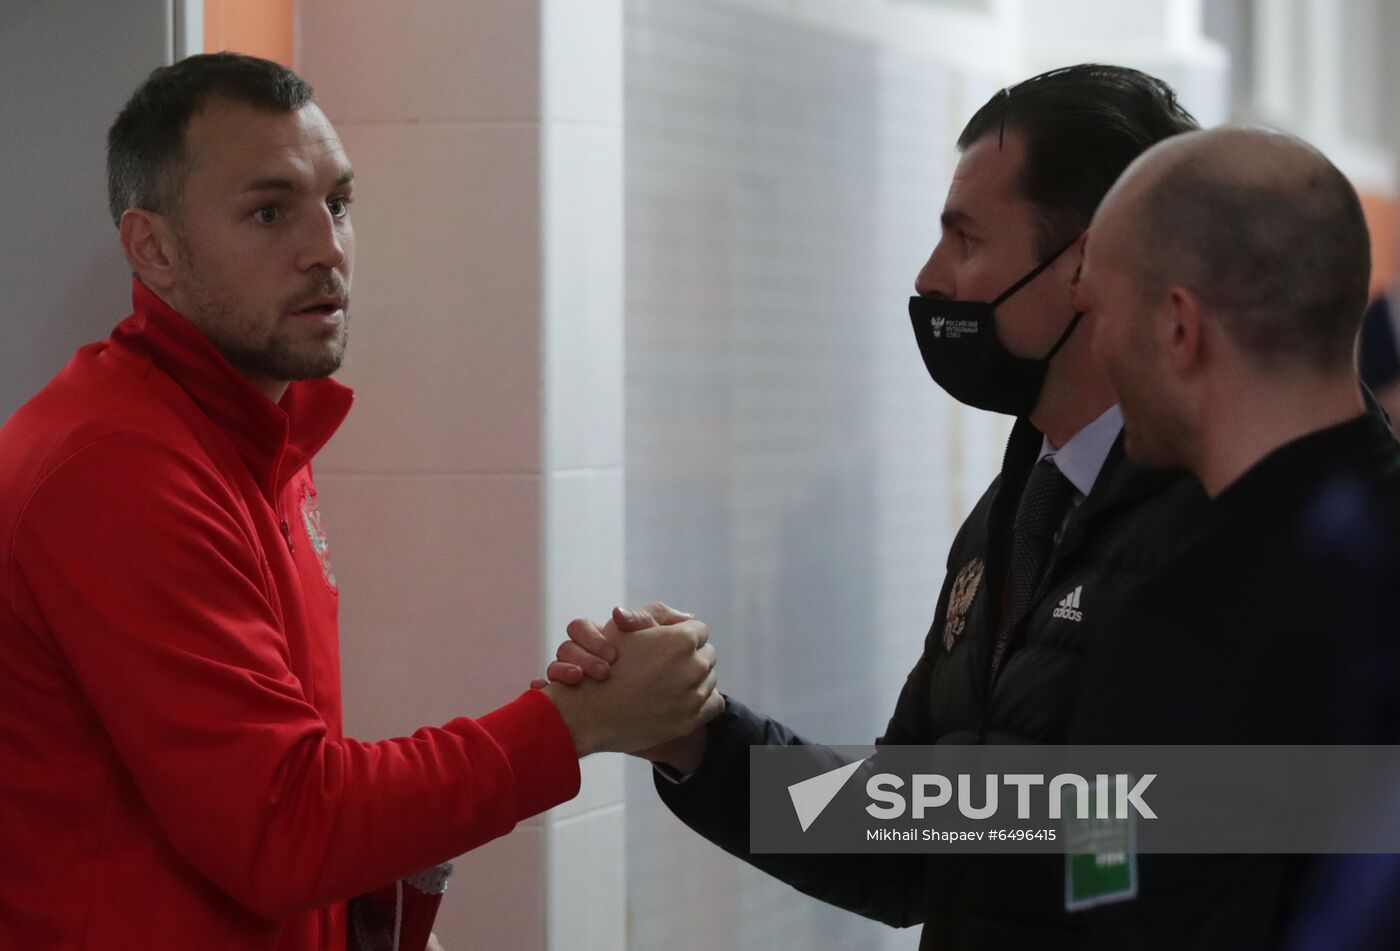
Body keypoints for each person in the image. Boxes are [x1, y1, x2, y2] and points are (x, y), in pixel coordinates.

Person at [0, 53, 722, 951]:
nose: (327, 248)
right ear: (153, 249)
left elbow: (262, 801)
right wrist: (578, 722)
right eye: (270, 212)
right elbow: (284, 824)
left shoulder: (255, 434)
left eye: (337, 204)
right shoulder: (118, 469)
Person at [541, 65, 1208, 949]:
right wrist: (697, 738)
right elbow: (906, 835)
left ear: (1087, 262)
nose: (931, 278)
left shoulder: (1223, 529)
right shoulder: (1009, 518)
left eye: (966, 240)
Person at [1068, 126, 1400, 947]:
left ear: (1181, 329)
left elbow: (1105, 889)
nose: (1097, 346)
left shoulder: (1171, 618)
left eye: (1100, 312)